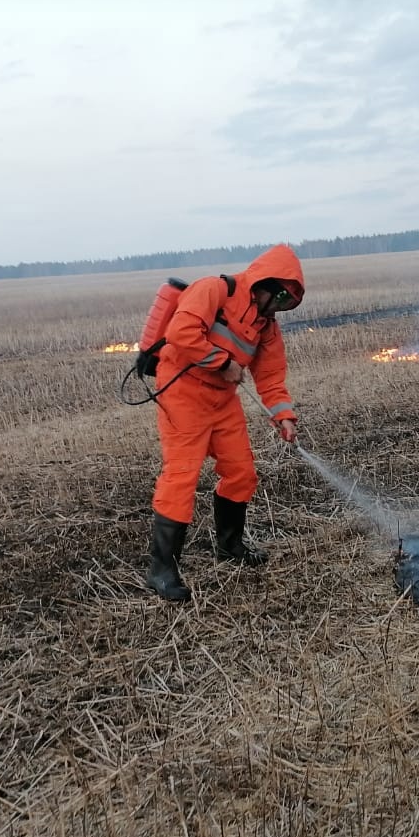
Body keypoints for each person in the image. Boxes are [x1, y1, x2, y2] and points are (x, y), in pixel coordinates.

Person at [144, 244, 304, 602]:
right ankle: (162, 571)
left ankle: (230, 547)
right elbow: (182, 331)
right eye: (278, 296)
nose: (277, 306)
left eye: (286, 301)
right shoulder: (214, 290)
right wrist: (222, 362)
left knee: (241, 472)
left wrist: (284, 416)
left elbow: (272, 376)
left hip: (222, 401)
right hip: (183, 393)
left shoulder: (267, 327)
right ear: (263, 282)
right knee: (182, 476)